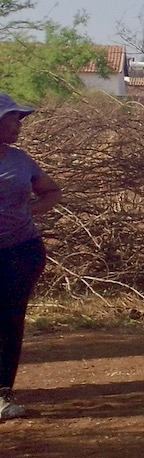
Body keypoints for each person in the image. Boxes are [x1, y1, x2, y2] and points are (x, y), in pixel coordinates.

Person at [0, 94, 62, 421]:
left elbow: (52, 191)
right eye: (12, 119)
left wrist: (28, 211)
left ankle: (1, 393)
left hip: (20, 251)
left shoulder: (22, 161)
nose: (18, 126)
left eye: (18, 119)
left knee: (9, 320)